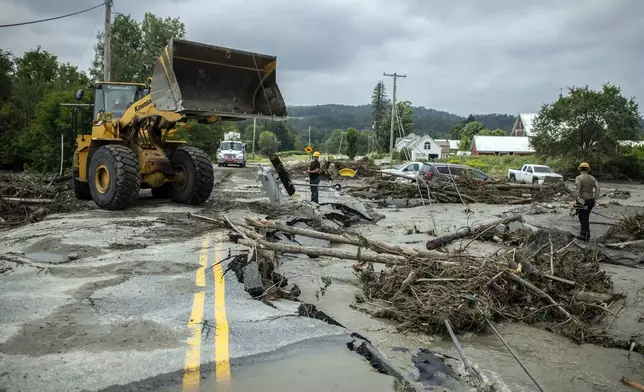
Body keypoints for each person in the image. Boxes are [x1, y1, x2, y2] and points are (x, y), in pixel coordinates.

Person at [575, 162, 600, 241]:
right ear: (588, 169)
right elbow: (598, 188)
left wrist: (576, 199)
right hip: (591, 201)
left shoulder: (579, 178)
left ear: (580, 169)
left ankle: (585, 235)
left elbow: (577, 189)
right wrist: (595, 199)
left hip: (583, 201)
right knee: (585, 216)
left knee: (583, 217)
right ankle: (586, 234)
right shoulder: (593, 178)